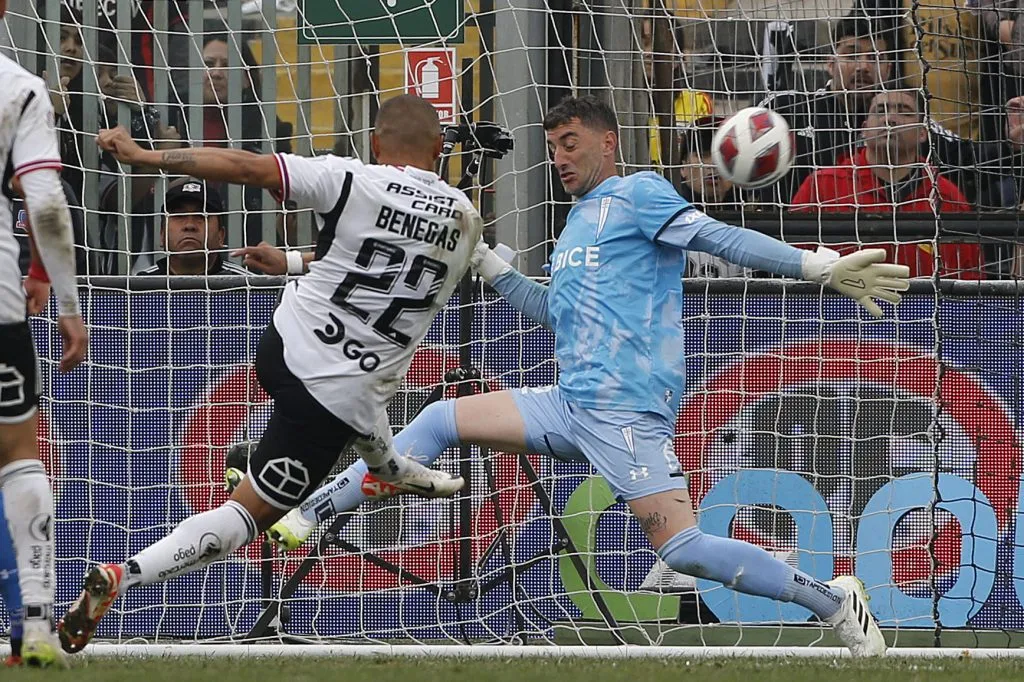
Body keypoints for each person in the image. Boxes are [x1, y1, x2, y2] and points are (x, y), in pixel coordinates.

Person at [266, 95, 911, 657]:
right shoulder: (576, 223)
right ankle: (308, 512)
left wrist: (815, 265)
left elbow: (717, 238)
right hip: (571, 403)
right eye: (552, 147)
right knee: (438, 420)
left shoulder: (640, 194)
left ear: (609, 141)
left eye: (570, 143)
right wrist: (492, 266)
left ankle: (832, 601)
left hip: (625, 411)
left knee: (683, 550)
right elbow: (556, 313)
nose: (560, 158)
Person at [57, 94, 479, 654]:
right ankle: (123, 575)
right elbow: (395, 263)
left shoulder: (349, 178)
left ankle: (387, 467)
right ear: (439, 148)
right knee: (248, 515)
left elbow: (245, 166)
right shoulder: (466, 220)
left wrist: (146, 157)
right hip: (331, 397)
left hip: (283, 343)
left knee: (366, 397)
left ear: (376, 143)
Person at [0, 0, 89, 665]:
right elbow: (48, 203)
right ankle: (36, 622)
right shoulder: (19, 87)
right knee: (17, 454)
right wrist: (68, 302)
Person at [792, 90, 982, 279]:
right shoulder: (821, 187)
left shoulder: (947, 198)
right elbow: (793, 264)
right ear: (864, 129)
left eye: (904, 112)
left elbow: (969, 279)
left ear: (923, 132)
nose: (890, 119)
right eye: (880, 111)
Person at [136, 177, 248, 276]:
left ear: (221, 236)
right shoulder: (138, 288)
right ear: (162, 235)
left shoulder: (247, 286)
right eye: (179, 216)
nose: (189, 225)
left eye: (201, 216)